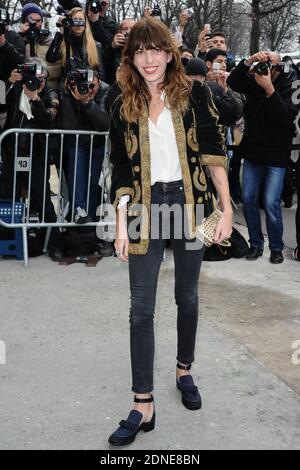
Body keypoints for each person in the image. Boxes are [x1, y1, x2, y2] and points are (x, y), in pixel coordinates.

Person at [108, 17, 232, 446]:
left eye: (155, 50)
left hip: (191, 205)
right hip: (144, 206)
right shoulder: (121, 102)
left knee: (187, 295)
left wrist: (227, 209)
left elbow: (214, 151)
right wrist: (122, 222)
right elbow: (121, 167)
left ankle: (184, 370)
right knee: (140, 307)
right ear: (131, 57)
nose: (148, 59)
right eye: (140, 52)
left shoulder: (194, 93)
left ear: (169, 53)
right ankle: (143, 403)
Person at [227, 51, 298, 264]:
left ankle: (276, 247)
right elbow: (233, 81)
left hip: (276, 154)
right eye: (263, 64)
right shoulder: (254, 81)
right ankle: (256, 244)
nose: (266, 69)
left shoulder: (290, 85)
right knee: (248, 199)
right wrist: (247, 62)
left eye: (271, 64)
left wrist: (270, 89)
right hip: (253, 151)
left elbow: (285, 117)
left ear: (280, 68)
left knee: (271, 202)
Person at [0, 58, 61, 259]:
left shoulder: (50, 95)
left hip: (36, 156)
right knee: (8, 199)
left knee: (43, 201)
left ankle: (54, 244)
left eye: (41, 80)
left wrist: (35, 99)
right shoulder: (14, 90)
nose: (37, 83)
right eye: (33, 79)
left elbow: (47, 122)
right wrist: (9, 83)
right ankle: (9, 241)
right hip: (11, 153)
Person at [56, 69, 110, 224]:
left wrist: (87, 102)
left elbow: (103, 124)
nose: (89, 90)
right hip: (76, 144)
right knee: (76, 182)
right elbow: (68, 126)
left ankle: (90, 228)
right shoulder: (70, 91)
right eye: (86, 86)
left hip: (97, 143)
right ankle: (79, 212)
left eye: (92, 86)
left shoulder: (106, 90)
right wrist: (69, 96)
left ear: (99, 82)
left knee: (92, 186)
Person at [46, 6, 106, 86]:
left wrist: (86, 72)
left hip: (88, 87)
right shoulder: (64, 44)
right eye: (75, 20)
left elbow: (102, 75)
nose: (78, 23)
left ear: (85, 23)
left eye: (81, 20)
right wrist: (61, 31)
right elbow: (51, 58)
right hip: (68, 88)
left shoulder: (96, 45)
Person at [102, 18, 136, 84]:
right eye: (125, 29)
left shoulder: (142, 47)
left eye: (132, 28)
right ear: (120, 32)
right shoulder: (114, 48)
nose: (128, 32)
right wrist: (112, 47)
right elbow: (105, 65)